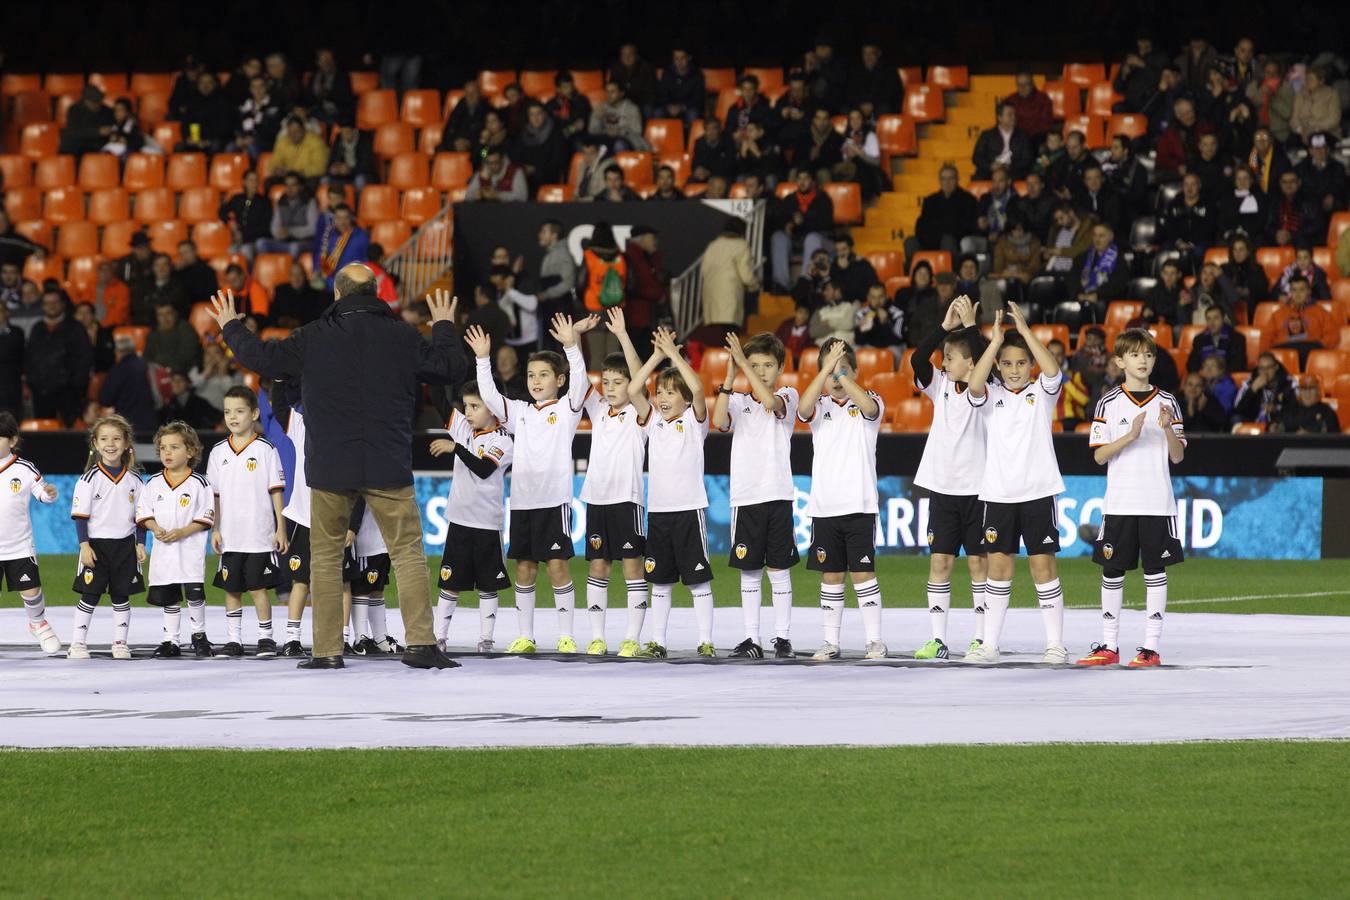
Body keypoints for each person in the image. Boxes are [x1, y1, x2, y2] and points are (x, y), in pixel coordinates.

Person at [210, 271, 467, 670]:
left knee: (326, 559)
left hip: (329, 465)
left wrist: (231, 325)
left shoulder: (313, 335)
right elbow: (450, 367)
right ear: (377, 293)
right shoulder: (401, 335)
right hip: (388, 463)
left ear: (336, 292)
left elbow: (263, 359)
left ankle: (327, 651)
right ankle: (420, 644)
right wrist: (445, 325)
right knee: (407, 554)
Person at [466, 312, 597, 654]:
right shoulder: (520, 410)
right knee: (524, 569)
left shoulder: (568, 408)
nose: (536, 380)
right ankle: (526, 636)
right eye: (531, 375)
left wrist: (571, 345)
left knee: (557, 567)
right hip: (522, 503)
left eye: (543, 375)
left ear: (559, 379)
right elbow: (491, 398)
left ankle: (566, 635)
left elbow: (582, 381)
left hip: (554, 502)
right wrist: (482, 359)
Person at [965, 302, 1068, 665]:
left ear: (1030, 366)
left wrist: (1025, 333)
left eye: (1021, 363)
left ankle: (1055, 643)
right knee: (999, 569)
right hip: (998, 495)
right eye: (1007, 364)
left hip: (1038, 492)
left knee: (1043, 567)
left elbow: (1053, 369)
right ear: (998, 365)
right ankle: (989, 644)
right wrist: (993, 344)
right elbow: (975, 383)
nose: (1014, 370)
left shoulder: (1042, 392)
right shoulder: (990, 396)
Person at [1079, 329, 1186, 667]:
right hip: (1120, 502)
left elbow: (1178, 457)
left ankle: (1150, 647)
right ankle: (1109, 646)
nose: (1143, 360)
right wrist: (1130, 436)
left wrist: (1168, 428)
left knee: (1155, 572)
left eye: (1149, 355)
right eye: (1136, 355)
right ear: (1120, 361)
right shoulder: (1108, 402)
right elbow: (1098, 456)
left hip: (1157, 501)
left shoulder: (1167, 401)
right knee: (1112, 571)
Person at [784, 336, 885, 660]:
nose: (837, 379)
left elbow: (868, 408)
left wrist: (840, 374)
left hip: (860, 504)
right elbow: (802, 409)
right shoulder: (820, 407)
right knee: (831, 576)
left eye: (845, 371)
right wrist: (827, 368)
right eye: (830, 372)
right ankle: (831, 641)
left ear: (855, 372)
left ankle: (874, 641)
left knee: (863, 573)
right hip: (825, 507)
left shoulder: (871, 401)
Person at [908, 296, 989, 658]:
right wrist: (945, 327)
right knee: (940, 561)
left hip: (979, 490)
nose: (944, 364)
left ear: (971, 362)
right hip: (943, 488)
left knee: (978, 564)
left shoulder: (989, 388)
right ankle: (937, 639)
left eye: (951, 358)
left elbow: (991, 362)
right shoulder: (939, 385)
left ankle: (981, 636)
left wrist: (971, 328)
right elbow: (915, 359)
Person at [712, 332, 800, 660]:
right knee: (749, 569)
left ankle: (783, 637)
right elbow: (719, 421)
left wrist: (744, 368)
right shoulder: (737, 401)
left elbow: (769, 402)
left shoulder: (788, 395)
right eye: (754, 365)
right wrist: (729, 378)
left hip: (777, 493)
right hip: (746, 497)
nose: (760, 371)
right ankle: (752, 638)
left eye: (767, 365)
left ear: (779, 369)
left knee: (779, 569)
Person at [569, 310, 650, 656]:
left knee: (633, 568)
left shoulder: (642, 412)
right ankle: (598, 637)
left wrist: (622, 334)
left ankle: (632, 637)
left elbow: (639, 383)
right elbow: (577, 376)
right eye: (608, 382)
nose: (612, 387)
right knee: (598, 566)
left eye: (619, 382)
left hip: (627, 499)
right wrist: (574, 337)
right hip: (597, 499)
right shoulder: (598, 409)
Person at [205, 386, 286, 659]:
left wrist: (280, 527)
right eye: (228, 412)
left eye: (239, 411)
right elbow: (214, 495)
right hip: (230, 535)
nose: (233, 417)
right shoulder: (217, 453)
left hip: (259, 534)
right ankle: (234, 639)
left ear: (254, 413)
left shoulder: (265, 450)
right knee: (232, 588)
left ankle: (265, 638)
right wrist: (215, 528)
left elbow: (276, 490)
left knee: (258, 588)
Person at [68, 414, 147, 660]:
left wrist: (141, 544)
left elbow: (141, 517)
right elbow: (81, 516)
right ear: (95, 443)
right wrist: (84, 546)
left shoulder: (135, 480)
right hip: (96, 546)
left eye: (116, 438)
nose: (110, 444)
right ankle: (78, 643)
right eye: (104, 439)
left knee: (121, 595)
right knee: (90, 595)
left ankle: (120, 643)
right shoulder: (88, 479)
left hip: (125, 546)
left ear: (126, 443)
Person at [136, 422, 215, 658]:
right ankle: (171, 640)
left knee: (194, 592)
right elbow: (143, 513)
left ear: (190, 451)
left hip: (189, 549)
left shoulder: (200, 483)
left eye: (174, 447)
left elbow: (206, 516)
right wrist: (154, 527)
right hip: (164, 552)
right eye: (163, 448)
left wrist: (182, 532)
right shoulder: (153, 482)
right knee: (169, 595)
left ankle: (199, 635)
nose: (167, 453)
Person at [0, 412, 63, 653]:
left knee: (31, 590)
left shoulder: (25, 469)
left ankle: (38, 623)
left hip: (18, 545)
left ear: (12, 441)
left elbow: (41, 492)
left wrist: (49, 493)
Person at [27, 289, 92, 425]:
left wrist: (76, 386)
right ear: (42, 306)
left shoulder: (76, 328)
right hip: (41, 393)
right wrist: (32, 382)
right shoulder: (37, 328)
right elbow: (29, 358)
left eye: (55, 302)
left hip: (68, 394)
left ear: (63, 304)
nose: (51, 306)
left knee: (69, 436)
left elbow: (84, 359)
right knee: (43, 434)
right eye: (47, 303)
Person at [769, 169, 833, 293]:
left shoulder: (823, 198)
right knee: (777, 236)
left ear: (813, 181)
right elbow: (779, 218)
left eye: (806, 178)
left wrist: (804, 220)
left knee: (811, 238)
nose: (802, 182)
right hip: (796, 240)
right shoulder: (790, 199)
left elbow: (826, 223)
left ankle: (805, 281)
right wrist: (787, 225)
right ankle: (781, 285)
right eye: (799, 178)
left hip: (819, 240)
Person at [698, 219, 759, 345]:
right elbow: (746, 275)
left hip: (711, 293)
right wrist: (755, 284)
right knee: (731, 336)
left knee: (716, 336)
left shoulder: (713, 245)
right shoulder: (741, 245)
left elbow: (704, 269)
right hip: (730, 295)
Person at [906, 165, 978, 264]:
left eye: (951, 179)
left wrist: (941, 230)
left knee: (947, 240)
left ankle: (949, 275)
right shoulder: (930, 201)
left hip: (955, 243)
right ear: (940, 181)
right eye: (943, 179)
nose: (947, 183)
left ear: (957, 179)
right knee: (910, 241)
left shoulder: (968, 200)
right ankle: (916, 274)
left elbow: (966, 227)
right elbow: (921, 226)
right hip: (931, 241)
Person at [1268, 275, 1340, 366]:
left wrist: (1320, 345)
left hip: (1310, 353)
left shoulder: (1321, 313)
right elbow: (1266, 338)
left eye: (1301, 290)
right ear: (1290, 292)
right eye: (1294, 290)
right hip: (1284, 354)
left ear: (1308, 292)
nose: (1297, 294)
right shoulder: (1277, 315)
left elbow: (1333, 335)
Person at [1072, 223, 1128, 323]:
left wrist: (1098, 295)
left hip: (1105, 299)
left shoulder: (1118, 259)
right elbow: (1072, 278)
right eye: (1094, 235)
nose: (1097, 240)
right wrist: (1079, 293)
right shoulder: (1082, 257)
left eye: (1101, 236)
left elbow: (1118, 283)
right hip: (1082, 296)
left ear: (1110, 237)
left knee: (1100, 305)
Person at [258, 174, 319, 258]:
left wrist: (291, 232)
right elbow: (274, 226)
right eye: (287, 185)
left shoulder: (309, 201)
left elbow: (313, 229)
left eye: (293, 185)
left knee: (294, 247)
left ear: (300, 187)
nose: (289, 188)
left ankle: (294, 270)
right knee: (261, 243)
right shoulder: (281, 202)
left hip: (305, 242)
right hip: (285, 242)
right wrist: (279, 233)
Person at [312, 205, 369, 293]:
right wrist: (316, 270)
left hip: (352, 288)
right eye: (339, 218)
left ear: (351, 218)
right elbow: (320, 255)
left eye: (346, 218)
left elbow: (366, 263)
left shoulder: (361, 237)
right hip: (328, 287)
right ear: (334, 219)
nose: (342, 222)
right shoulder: (328, 236)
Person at [514, 102, 569, 190]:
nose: (535, 118)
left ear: (544, 114)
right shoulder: (486, 145)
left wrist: (535, 169)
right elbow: (483, 157)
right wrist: (484, 143)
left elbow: (558, 161)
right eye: (532, 115)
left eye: (538, 114)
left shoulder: (555, 134)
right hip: (521, 178)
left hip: (546, 177)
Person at [1234, 351, 1298, 426]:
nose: (1265, 372)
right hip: (1254, 422)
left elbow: (1296, 410)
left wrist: (1276, 409)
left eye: (1269, 368)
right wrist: (1252, 389)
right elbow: (1238, 410)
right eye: (1261, 368)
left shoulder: (1289, 383)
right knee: (1236, 419)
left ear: (1276, 367)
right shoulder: (1250, 383)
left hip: (1279, 423)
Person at [972, 102, 1033, 180]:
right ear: (1000, 118)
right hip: (991, 170)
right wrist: (991, 166)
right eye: (1009, 115)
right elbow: (977, 158)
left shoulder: (1023, 136)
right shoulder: (987, 135)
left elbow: (1027, 159)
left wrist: (1009, 167)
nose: (1013, 117)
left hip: (1014, 171)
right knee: (979, 177)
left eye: (1014, 114)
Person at [1265, 171, 1324, 248]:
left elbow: (1316, 226)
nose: (1288, 185)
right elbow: (1268, 226)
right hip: (1279, 242)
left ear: (1299, 183)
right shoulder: (1275, 202)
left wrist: (1291, 235)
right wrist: (1277, 233)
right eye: (1284, 182)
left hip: (1303, 244)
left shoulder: (1309, 201)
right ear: (1280, 184)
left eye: (1292, 181)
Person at [221, 170, 273, 257]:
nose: (254, 183)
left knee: (246, 251)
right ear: (244, 182)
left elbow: (265, 227)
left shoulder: (264, 202)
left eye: (256, 180)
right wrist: (231, 223)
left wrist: (243, 235)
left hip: (254, 241)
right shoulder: (238, 199)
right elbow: (222, 211)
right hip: (239, 241)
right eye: (251, 180)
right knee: (231, 252)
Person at [269, 116, 330, 189]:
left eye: (296, 131)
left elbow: (320, 168)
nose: (293, 135)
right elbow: (274, 161)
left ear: (303, 129)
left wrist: (297, 171)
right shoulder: (283, 142)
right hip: (287, 176)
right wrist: (277, 169)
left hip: (305, 177)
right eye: (290, 132)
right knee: (268, 183)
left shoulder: (316, 142)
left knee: (312, 183)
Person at [846, 43, 904, 118]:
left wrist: (873, 104)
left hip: (880, 105)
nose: (868, 57)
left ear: (878, 54)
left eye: (871, 53)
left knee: (885, 108)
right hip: (861, 106)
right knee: (846, 109)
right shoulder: (856, 71)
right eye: (865, 53)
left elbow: (891, 93)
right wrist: (860, 105)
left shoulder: (889, 70)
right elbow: (850, 92)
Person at [588, 82, 648, 152]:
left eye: (612, 92)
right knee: (588, 144)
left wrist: (619, 131)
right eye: (607, 92)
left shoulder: (631, 109)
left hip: (626, 141)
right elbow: (592, 131)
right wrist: (598, 119)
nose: (609, 95)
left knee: (619, 144)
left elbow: (637, 131)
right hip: (606, 140)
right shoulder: (601, 108)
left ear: (621, 93)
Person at [790, 108, 844, 184]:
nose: (821, 122)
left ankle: (824, 196)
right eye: (819, 119)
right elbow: (796, 159)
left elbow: (835, 160)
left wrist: (818, 156)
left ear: (829, 121)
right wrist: (810, 157)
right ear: (814, 120)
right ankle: (793, 195)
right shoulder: (804, 136)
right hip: (806, 167)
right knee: (793, 172)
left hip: (826, 169)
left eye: (825, 119)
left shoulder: (836, 138)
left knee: (823, 173)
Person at [1220, 235, 1270, 317]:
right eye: (1235, 249)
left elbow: (1263, 291)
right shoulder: (1224, 268)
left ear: (1248, 252)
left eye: (1241, 249)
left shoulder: (1257, 269)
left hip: (1251, 307)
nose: (1237, 253)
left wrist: (1246, 291)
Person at [131, 254, 187, 325]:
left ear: (170, 267)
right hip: (145, 324)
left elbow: (170, 305)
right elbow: (136, 305)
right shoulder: (143, 285)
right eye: (157, 265)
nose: (161, 268)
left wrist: (151, 303)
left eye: (165, 265)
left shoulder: (178, 285)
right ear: (153, 268)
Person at [145, 303, 202, 374]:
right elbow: (147, 357)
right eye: (160, 315)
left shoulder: (187, 330)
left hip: (184, 373)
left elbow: (187, 357)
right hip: (158, 373)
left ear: (175, 314)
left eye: (168, 313)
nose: (165, 318)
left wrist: (169, 369)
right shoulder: (153, 334)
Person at [1289, 67, 1341, 145]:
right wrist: (1301, 130)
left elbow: (1333, 119)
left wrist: (1313, 130)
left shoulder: (1331, 94)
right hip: (1303, 133)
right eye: (1306, 79)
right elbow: (1294, 119)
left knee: (1318, 142)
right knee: (1291, 143)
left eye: (1311, 79)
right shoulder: (1300, 94)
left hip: (1325, 131)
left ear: (1321, 81)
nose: (1307, 82)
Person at [1188, 305, 1247, 373]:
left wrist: (1218, 372)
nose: (1212, 323)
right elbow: (1191, 364)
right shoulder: (1199, 339)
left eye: (1216, 318)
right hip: (1203, 378)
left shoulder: (1237, 338)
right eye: (1209, 319)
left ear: (1223, 318)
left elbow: (1239, 365)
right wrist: (1201, 372)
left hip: (1226, 376)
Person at [656, 46, 706, 127]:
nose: (679, 62)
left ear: (689, 58)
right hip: (670, 108)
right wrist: (668, 106)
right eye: (676, 58)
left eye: (682, 58)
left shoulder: (697, 74)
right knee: (657, 113)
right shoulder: (667, 73)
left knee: (693, 115)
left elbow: (698, 98)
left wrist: (682, 107)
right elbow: (662, 94)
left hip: (687, 108)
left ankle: (691, 139)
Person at [60, 85, 115, 156]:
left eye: (98, 101)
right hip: (77, 147)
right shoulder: (74, 110)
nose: (97, 105)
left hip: (97, 147)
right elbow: (75, 131)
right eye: (93, 102)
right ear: (85, 101)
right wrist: (98, 132)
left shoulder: (107, 111)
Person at [544, 72, 592, 147]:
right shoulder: (551, 105)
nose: (570, 90)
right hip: (558, 140)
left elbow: (583, 124)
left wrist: (573, 128)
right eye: (565, 87)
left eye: (571, 86)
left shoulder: (582, 101)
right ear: (558, 89)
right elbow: (552, 128)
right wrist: (572, 128)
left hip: (578, 138)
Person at [271, 263, 326, 327]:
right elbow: (272, 313)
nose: (296, 278)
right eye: (293, 275)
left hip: (305, 328)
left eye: (300, 274)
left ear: (305, 276)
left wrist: (298, 322)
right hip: (283, 328)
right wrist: (280, 320)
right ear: (289, 277)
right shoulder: (280, 290)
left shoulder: (314, 292)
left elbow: (317, 316)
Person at [1004, 73, 1054, 142]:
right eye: (1019, 85)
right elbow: (1005, 123)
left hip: (1037, 139)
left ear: (1032, 84)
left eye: (1026, 84)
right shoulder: (1010, 100)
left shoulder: (1043, 99)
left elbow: (1046, 126)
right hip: (1016, 139)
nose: (1022, 88)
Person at [465, 148, 529, 202]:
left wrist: (497, 195)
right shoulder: (481, 172)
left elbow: (522, 196)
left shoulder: (515, 171)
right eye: (489, 163)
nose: (492, 166)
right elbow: (467, 196)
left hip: (510, 211)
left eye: (496, 162)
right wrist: (477, 194)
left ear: (502, 161)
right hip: (486, 212)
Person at [810, 280, 859, 346]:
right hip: (824, 350)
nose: (824, 293)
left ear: (837, 291)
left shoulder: (852, 306)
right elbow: (813, 332)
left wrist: (829, 322)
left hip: (845, 349)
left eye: (827, 290)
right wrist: (840, 323)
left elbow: (849, 324)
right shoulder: (820, 310)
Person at [175, 241, 220, 312]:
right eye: (181, 254)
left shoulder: (207, 271)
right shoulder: (178, 272)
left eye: (186, 252)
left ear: (194, 251)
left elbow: (211, 295)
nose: (183, 256)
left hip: (202, 310)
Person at [73, 302, 115, 372]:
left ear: (93, 315)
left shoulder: (105, 333)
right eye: (79, 313)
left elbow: (109, 357)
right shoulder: (69, 335)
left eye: (87, 313)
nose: (83, 317)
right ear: (74, 316)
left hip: (100, 371)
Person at [0, 307, 23, 420]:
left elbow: (12, 354)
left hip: (10, 391)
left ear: (6, 313)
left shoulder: (17, 333)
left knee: (9, 428)